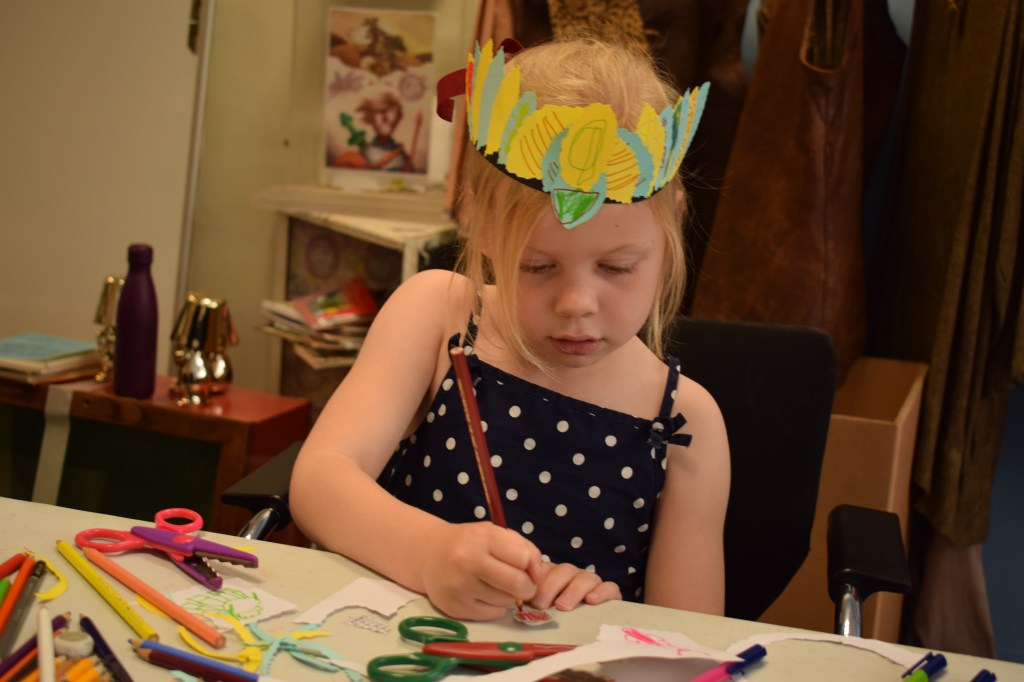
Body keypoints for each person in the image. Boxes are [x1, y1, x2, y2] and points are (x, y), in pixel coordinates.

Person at [290, 35, 730, 622]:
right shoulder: (438, 317)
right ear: (481, 223)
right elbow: (320, 479)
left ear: (672, 219)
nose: (576, 304)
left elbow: (691, 641)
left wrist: (607, 613)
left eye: (617, 268)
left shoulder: (684, 422)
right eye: (537, 266)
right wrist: (429, 553)